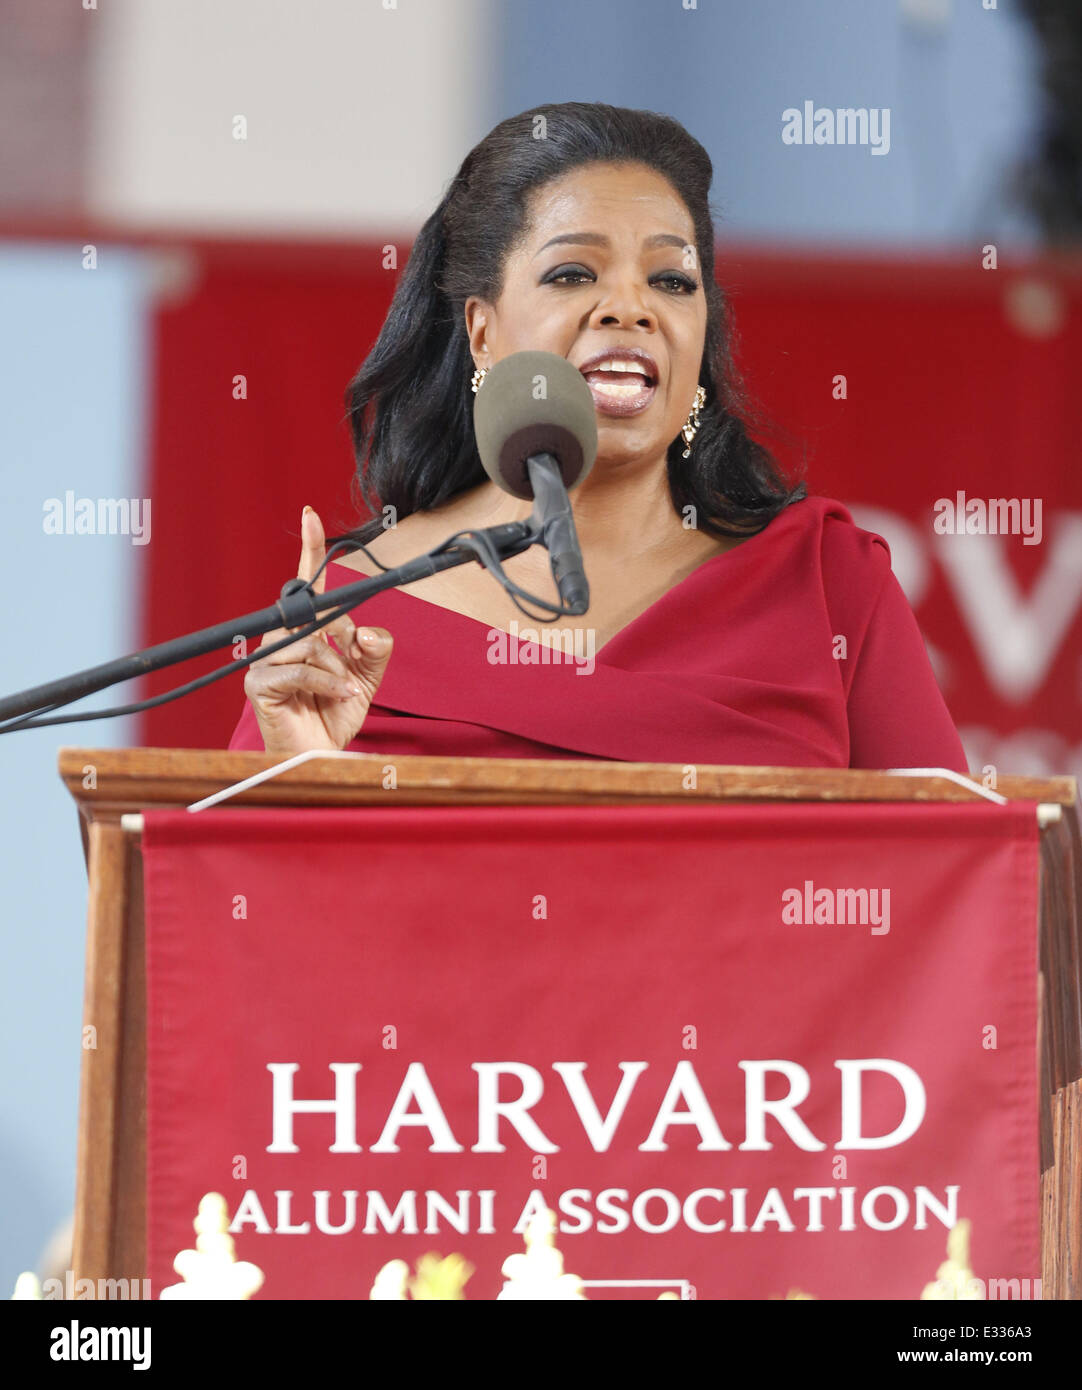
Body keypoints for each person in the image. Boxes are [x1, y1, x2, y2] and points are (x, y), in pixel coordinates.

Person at [228, 102, 967, 773]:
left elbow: (957, 882)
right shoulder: (348, 610)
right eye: (574, 272)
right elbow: (231, 901)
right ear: (483, 334)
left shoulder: (826, 584)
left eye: (672, 282)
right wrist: (296, 778)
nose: (630, 307)